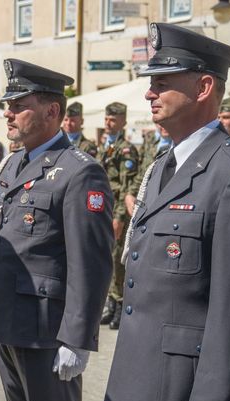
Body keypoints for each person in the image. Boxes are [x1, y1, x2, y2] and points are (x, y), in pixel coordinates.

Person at [104, 23, 230, 401]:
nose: (149, 92)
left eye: (162, 82)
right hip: (137, 374)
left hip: (187, 385)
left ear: (203, 87)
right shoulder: (162, 167)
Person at [0, 58, 114, 401]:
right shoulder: (14, 163)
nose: (8, 113)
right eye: (9, 105)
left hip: (46, 331)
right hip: (7, 320)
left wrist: (78, 338)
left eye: (19, 106)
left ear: (52, 111)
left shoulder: (79, 172)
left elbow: (91, 263)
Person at [97, 102, 140, 330]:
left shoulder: (126, 149)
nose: (108, 123)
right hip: (104, 209)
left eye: (113, 119)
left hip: (116, 211)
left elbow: (126, 187)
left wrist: (120, 217)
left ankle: (120, 305)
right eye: (106, 119)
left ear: (123, 121)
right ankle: (112, 302)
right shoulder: (107, 146)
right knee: (108, 257)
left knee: (117, 259)